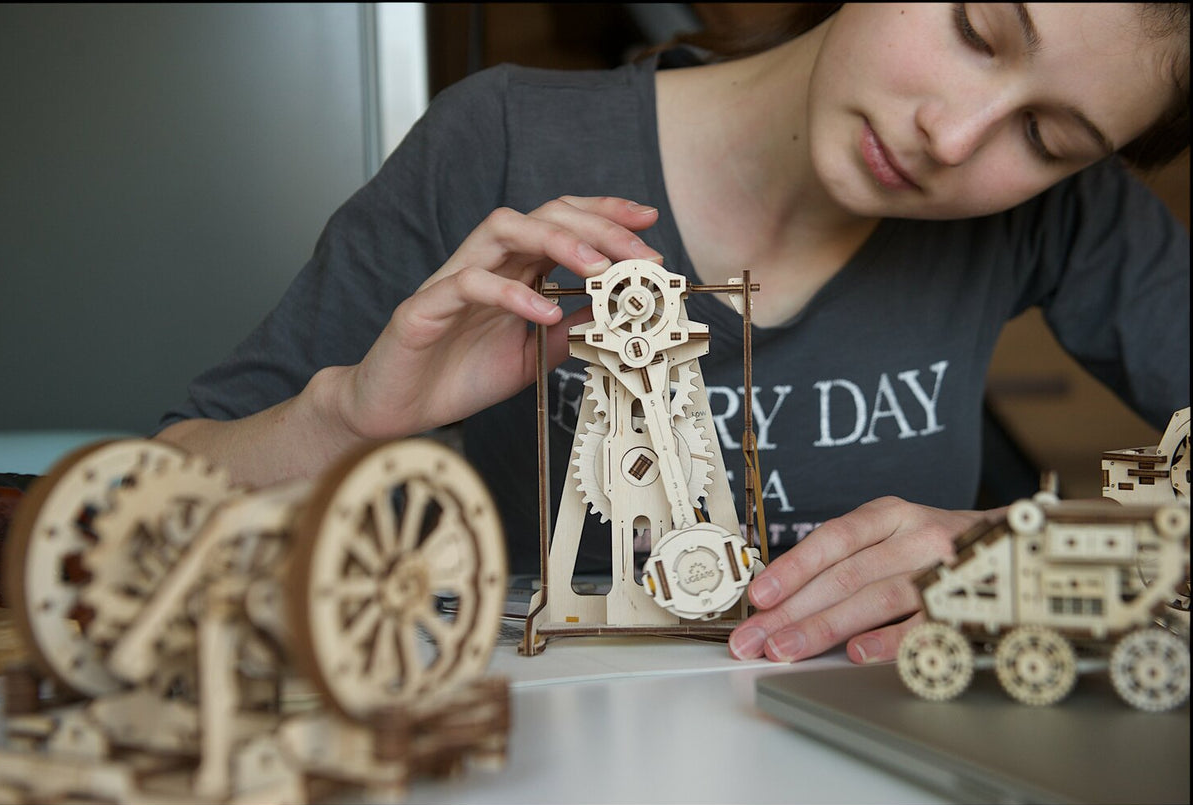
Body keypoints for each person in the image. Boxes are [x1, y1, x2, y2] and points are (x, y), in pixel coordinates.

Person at [155, 4, 1190, 667]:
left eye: (1043, 138)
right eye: (974, 29)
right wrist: (348, 414)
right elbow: (151, 508)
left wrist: (1029, 551)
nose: (951, 136)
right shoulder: (504, 139)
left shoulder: (1064, 213)